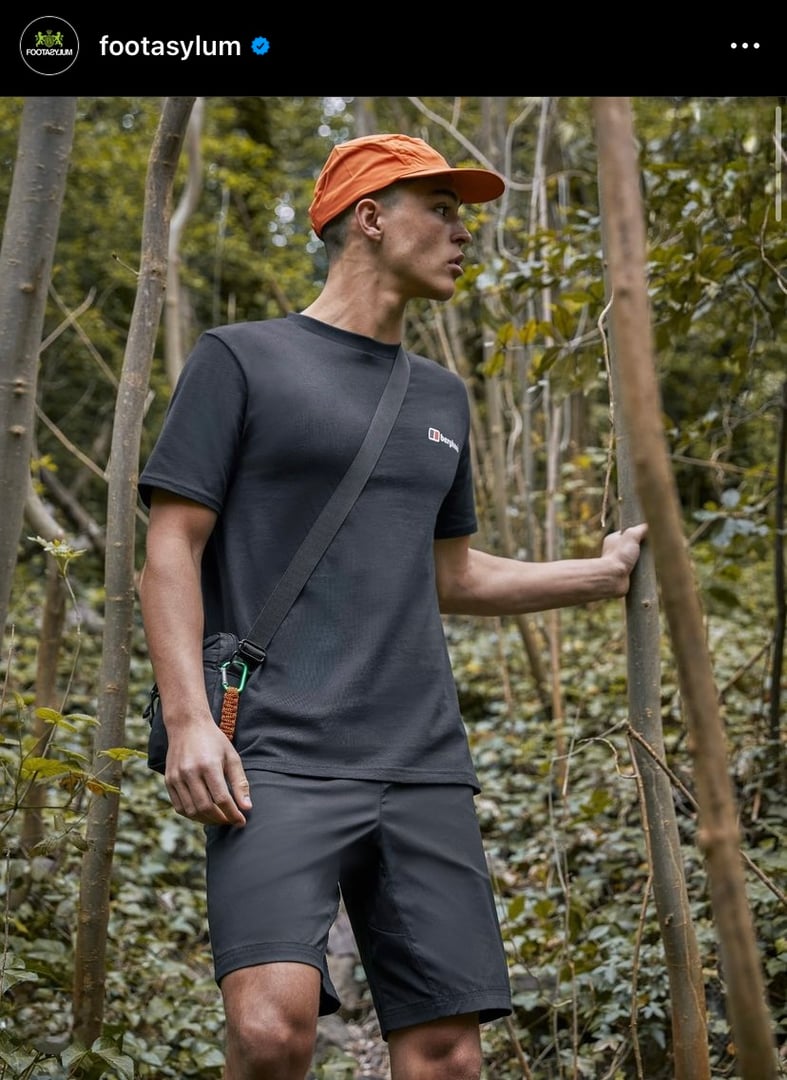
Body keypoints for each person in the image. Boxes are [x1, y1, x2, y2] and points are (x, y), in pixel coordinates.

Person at [138, 132, 647, 1080]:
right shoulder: (239, 360)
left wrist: (599, 574)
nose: (463, 234)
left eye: (463, 216)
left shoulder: (441, 397)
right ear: (369, 218)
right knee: (268, 1030)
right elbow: (171, 546)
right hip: (276, 751)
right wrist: (188, 722)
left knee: (449, 1053)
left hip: (419, 759)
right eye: (442, 211)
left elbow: (452, 577)